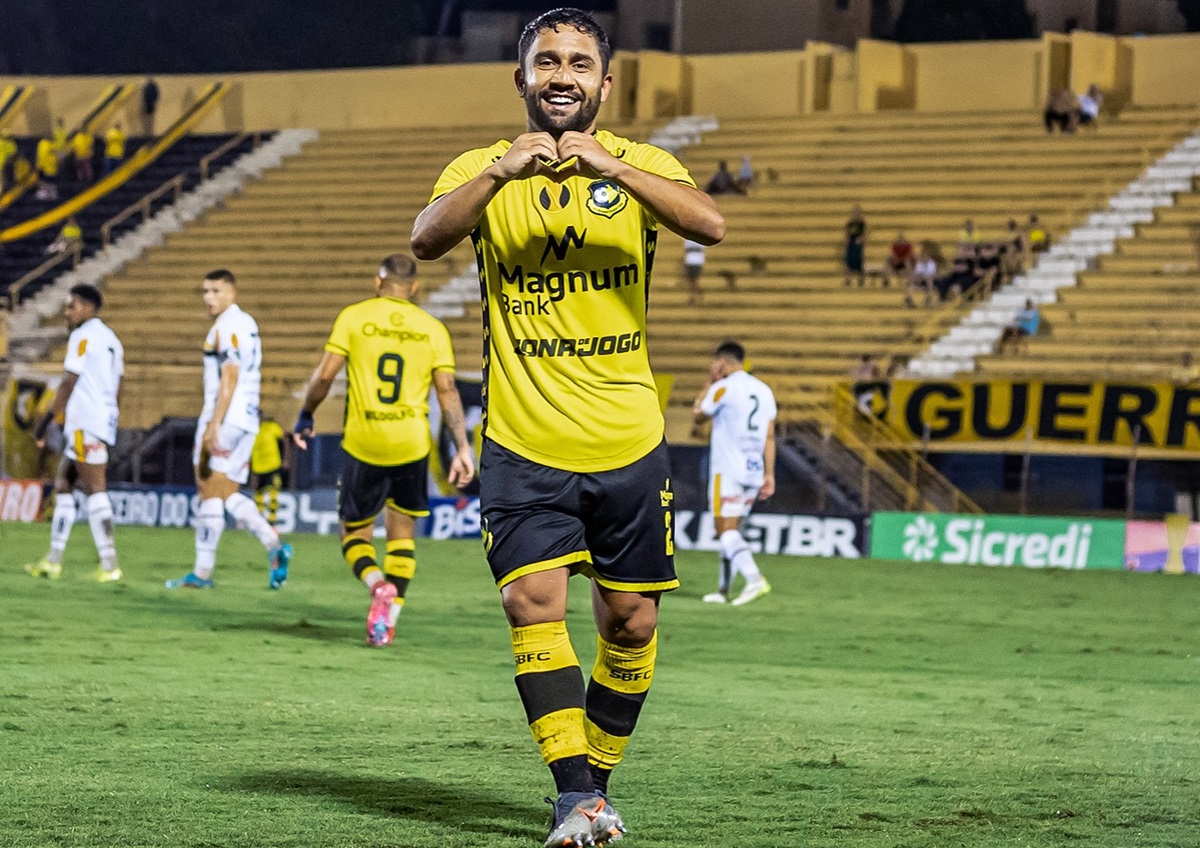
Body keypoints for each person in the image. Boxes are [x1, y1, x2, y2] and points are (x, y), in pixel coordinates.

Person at [410, 9, 725, 847]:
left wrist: (608, 164)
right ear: (519, 79)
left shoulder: (641, 164)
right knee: (531, 602)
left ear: (604, 84)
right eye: (545, 61)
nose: (561, 74)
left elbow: (709, 223)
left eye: (579, 63)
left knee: (631, 625)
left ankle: (596, 788)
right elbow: (426, 239)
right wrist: (499, 175)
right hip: (521, 439)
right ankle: (574, 797)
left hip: (627, 440)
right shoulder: (481, 168)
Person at [292, 254, 474, 646]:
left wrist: (306, 413)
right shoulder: (432, 329)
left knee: (353, 533)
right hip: (411, 442)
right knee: (402, 535)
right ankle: (384, 624)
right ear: (414, 287)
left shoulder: (354, 318)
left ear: (378, 283)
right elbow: (447, 391)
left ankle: (377, 585)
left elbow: (325, 376)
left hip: (365, 441)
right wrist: (462, 447)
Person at [165, 269, 292, 590]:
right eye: (205, 291)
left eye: (216, 291)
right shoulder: (247, 323)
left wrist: (214, 423)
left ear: (232, 293)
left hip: (227, 417)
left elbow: (230, 376)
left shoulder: (227, 326)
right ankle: (273, 545)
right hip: (248, 420)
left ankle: (202, 572)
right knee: (227, 492)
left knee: (207, 488)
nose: (209, 298)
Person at [25, 285, 124, 582]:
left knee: (96, 489)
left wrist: (44, 423)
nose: (67, 313)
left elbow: (69, 381)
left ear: (87, 307)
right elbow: (120, 383)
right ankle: (53, 560)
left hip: (85, 422)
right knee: (64, 487)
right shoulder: (112, 340)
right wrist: (111, 419)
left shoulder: (83, 336)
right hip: (99, 420)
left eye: (71, 307)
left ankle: (110, 564)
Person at [692, 341, 776, 606]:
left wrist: (710, 382)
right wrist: (769, 473)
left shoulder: (722, 388)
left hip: (727, 469)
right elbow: (770, 435)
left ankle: (754, 580)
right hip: (754, 470)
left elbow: (697, 416)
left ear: (722, 363)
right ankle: (723, 589)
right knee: (732, 531)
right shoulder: (764, 390)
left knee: (724, 530)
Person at [250, 415, 287, 529]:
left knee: (273, 492)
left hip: (273, 465)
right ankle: (258, 520)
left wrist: (285, 458)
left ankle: (272, 522)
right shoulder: (252, 429)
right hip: (258, 467)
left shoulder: (271, 427)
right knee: (258, 493)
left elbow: (284, 440)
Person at [843, 204, 867, 286]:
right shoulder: (850, 223)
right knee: (849, 262)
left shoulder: (862, 223)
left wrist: (861, 240)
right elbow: (846, 233)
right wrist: (846, 243)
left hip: (858, 243)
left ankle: (861, 279)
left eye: (857, 212)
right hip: (851, 243)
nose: (856, 213)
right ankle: (847, 279)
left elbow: (865, 233)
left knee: (859, 262)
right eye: (854, 212)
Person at [682, 237, 705, 304]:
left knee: (694, 281)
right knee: (692, 281)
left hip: (696, 261)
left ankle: (694, 296)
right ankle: (696, 296)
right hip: (691, 261)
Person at [35, 134, 58, 200]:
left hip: (49, 167)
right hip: (45, 166)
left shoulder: (50, 145)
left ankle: (49, 193)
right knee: (46, 180)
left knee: (49, 180)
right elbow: (40, 155)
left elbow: (40, 156)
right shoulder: (44, 144)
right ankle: (47, 193)